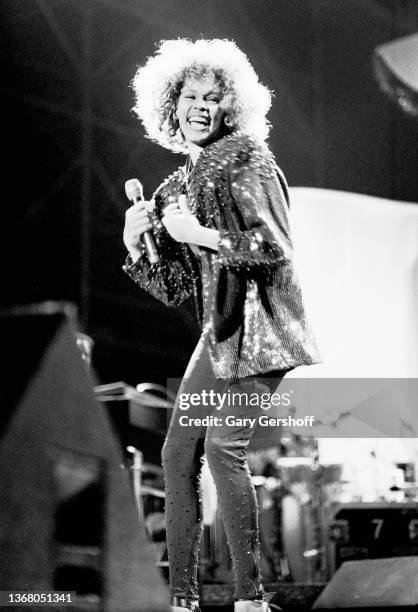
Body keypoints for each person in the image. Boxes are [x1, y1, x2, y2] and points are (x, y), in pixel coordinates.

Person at [123, 38, 320, 612]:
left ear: (232, 105)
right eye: (189, 95)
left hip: (266, 331)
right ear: (171, 103)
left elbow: (273, 249)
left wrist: (201, 236)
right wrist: (138, 240)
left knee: (221, 449)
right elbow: (178, 286)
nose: (200, 106)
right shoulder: (182, 180)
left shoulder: (247, 155)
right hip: (222, 334)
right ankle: (180, 600)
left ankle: (250, 599)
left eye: (213, 97)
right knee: (176, 452)